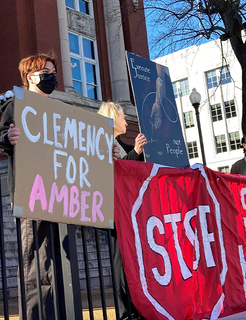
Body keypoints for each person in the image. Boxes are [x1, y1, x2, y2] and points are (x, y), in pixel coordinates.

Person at [0, 53, 120, 320]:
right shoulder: (15, 105)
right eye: (47, 71)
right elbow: (1, 138)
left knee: (60, 263)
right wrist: (10, 136)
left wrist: (103, 150)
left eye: (54, 72)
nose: (52, 77)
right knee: (35, 262)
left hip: (61, 194)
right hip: (33, 193)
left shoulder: (61, 112)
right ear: (31, 76)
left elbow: (77, 149)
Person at [98, 101, 147, 320]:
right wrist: (135, 152)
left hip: (129, 208)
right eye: (122, 116)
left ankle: (136, 306)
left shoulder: (119, 142)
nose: (126, 121)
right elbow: (114, 171)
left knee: (133, 260)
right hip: (116, 209)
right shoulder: (103, 142)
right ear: (112, 117)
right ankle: (125, 311)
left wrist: (138, 153)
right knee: (121, 260)